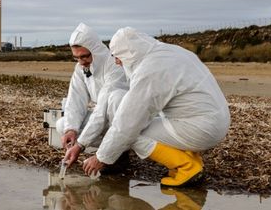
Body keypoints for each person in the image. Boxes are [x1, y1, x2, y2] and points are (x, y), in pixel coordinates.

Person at [82, 27, 230, 187]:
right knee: (140, 123)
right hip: (214, 120)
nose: (116, 62)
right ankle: (192, 158)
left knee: (133, 135)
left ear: (129, 53)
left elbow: (127, 125)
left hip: (202, 128)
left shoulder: (149, 70)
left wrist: (100, 157)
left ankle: (187, 166)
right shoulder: (168, 52)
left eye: (117, 56)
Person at [57, 23, 129, 170]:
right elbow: (75, 100)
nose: (81, 62)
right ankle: (109, 148)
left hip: (122, 119)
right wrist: (71, 129)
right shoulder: (81, 68)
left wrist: (80, 145)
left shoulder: (114, 65)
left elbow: (102, 109)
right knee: (62, 125)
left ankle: (119, 153)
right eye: (76, 58)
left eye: (84, 56)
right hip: (103, 118)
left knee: (115, 98)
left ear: (95, 51)